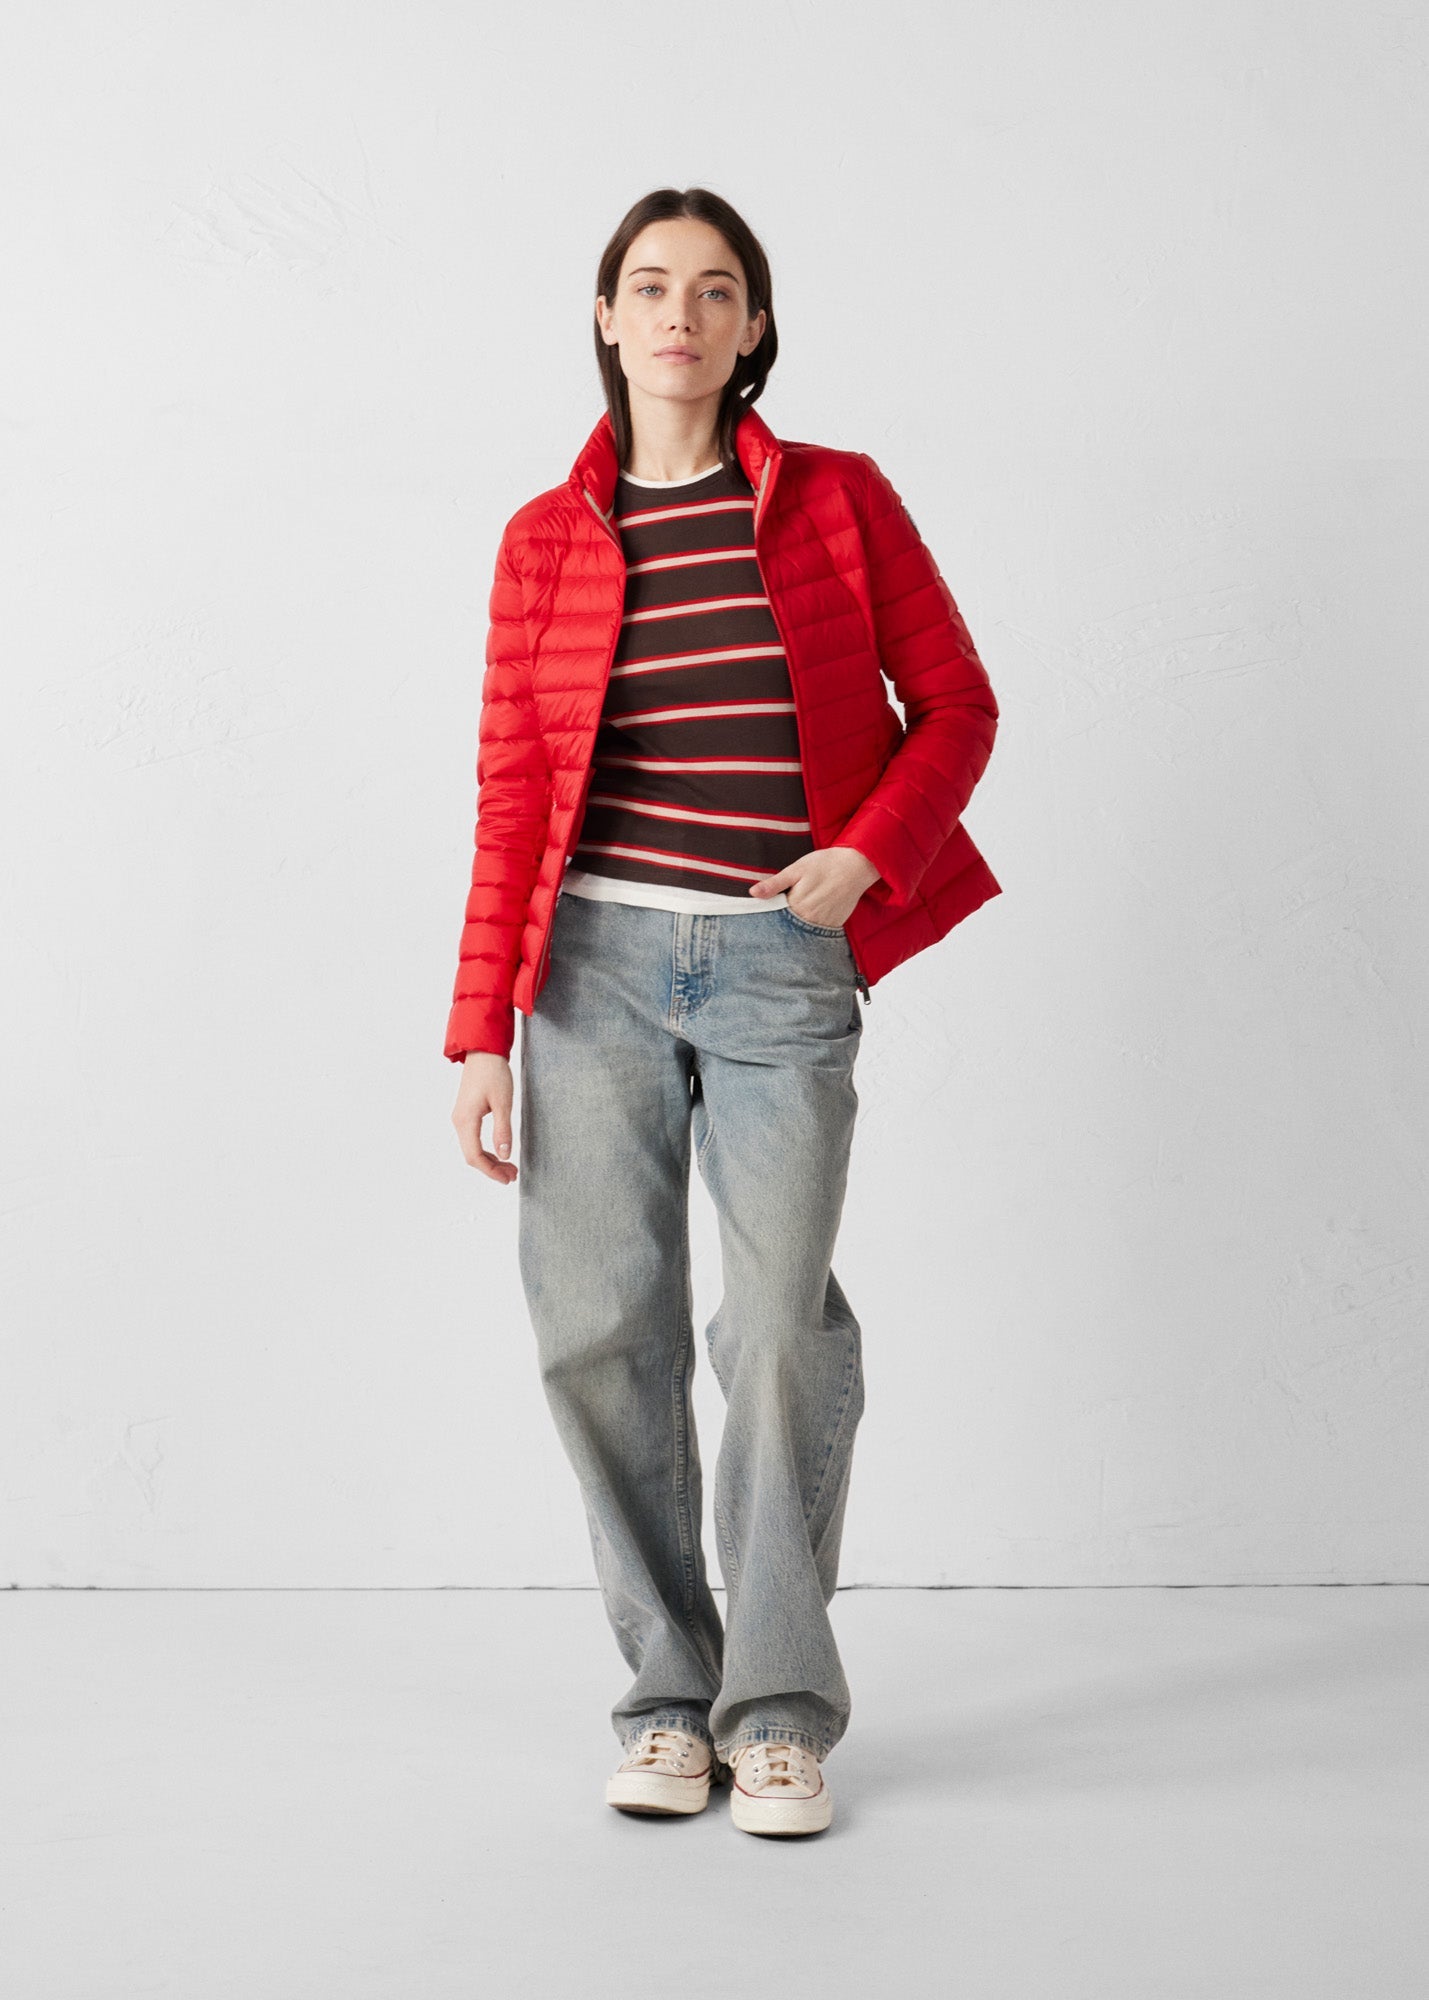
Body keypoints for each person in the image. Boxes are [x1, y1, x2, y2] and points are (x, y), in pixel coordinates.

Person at [446, 186, 1001, 1837]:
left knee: (770, 1330)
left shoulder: (837, 500)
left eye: (712, 289)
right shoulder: (542, 540)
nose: (677, 315)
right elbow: (511, 797)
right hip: (591, 972)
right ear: (605, 318)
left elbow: (954, 704)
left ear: (753, 325)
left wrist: (867, 853)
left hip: (777, 965)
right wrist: (479, 1033)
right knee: (595, 1331)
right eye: (647, 286)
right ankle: (664, 1702)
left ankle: (775, 1710)